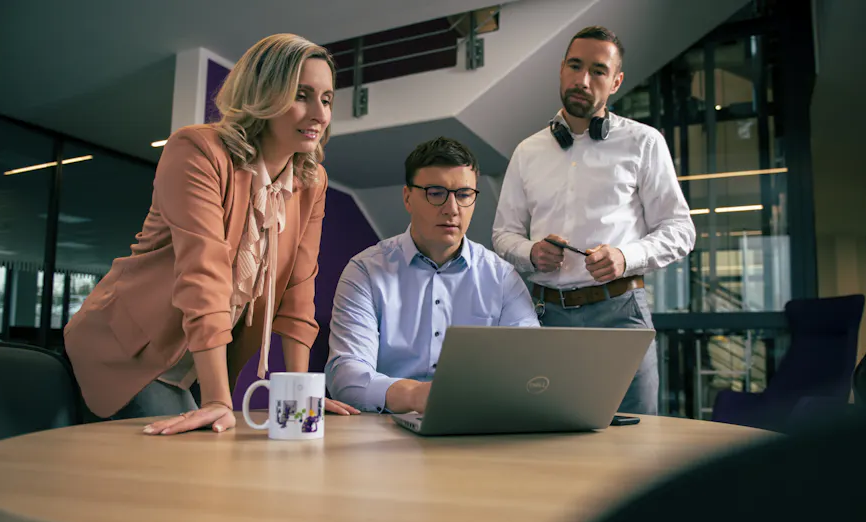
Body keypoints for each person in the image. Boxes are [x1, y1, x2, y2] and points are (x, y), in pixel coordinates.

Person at [63, 33, 360, 436]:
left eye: (326, 99)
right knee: (191, 471)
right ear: (263, 93)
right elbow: (203, 274)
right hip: (130, 349)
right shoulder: (198, 149)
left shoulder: (312, 180)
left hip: (202, 358)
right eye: (301, 94)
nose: (319, 114)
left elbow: (298, 289)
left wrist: (302, 391)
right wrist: (219, 400)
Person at [491, 26, 696, 415]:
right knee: (546, 440)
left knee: (636, 445)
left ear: (616, 81)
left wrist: (625, 257)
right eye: (575, 65)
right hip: (543, 317)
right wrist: (531, 252)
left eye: (598, 71)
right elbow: (503, 234)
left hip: (620, 314)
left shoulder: (644, 142)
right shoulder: (527, 151)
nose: (583, 80)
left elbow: (681, 231)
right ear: (561, 70)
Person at [325, 137, 540, 416]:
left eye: (464, 194)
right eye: (436, 192)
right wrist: (415, 395)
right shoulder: (365, 271)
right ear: (407, 198)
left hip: (476, 427)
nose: (452, 208)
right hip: (385, 430)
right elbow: (346, 376)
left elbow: (531, 366)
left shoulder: (502, 277)